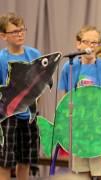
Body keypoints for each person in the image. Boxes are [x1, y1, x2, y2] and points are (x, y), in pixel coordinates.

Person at [58, 25, 101, 180]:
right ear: (78, 44)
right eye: (86, 42)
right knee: (81, 173)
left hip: (99, 128)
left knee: (100, 172)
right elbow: (64, 98)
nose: (90, 46)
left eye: (94, 43)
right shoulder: (69, 67)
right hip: (78, 129)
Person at [0, 12, 41, 180]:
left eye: (22, 30)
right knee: (5, 161)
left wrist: (34, 108)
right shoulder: (2, 59)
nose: (20, 34)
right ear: (3, 36)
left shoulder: (34, 55)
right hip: (7, 117)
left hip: (29, 116)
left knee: (25, 160)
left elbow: (40, 84)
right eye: (15, 31)